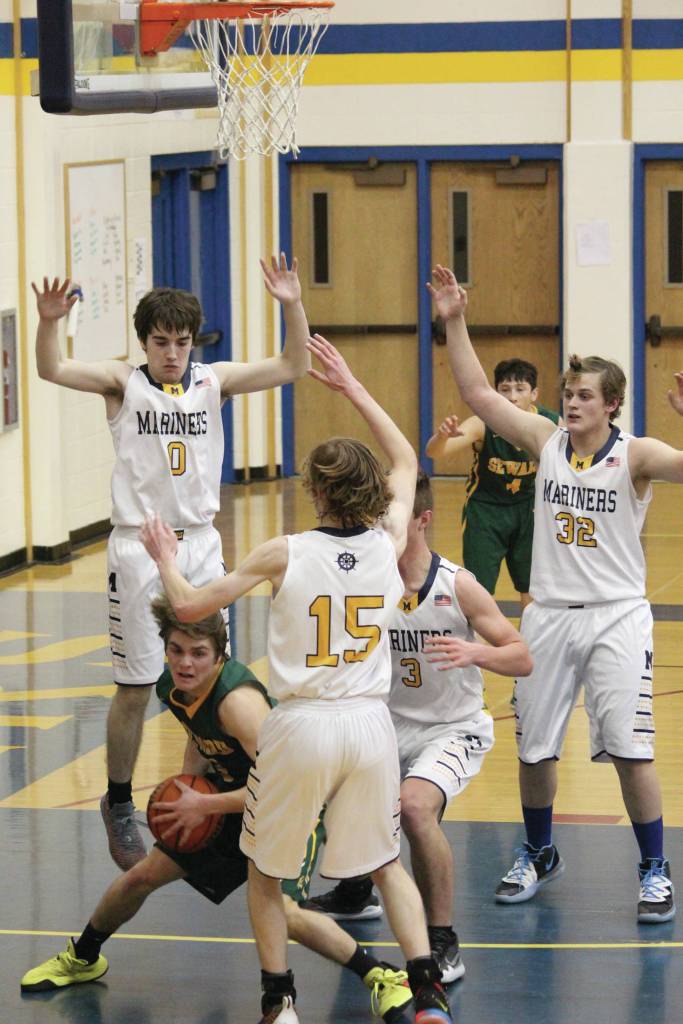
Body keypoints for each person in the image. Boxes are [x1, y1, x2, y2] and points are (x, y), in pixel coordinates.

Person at [140, 335, 454, 1024]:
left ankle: (279, 1003)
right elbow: (405, 457)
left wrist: (165, 558)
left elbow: (190, 608)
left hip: (303, 724)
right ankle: (425, 988)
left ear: (313, 490)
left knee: (266, 874)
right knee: (385, 865)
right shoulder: (390, 541)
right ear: (367, 490)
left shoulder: (284, 551)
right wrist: (352, 388)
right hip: (371, 725)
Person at [32, 258, 310, 871]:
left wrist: (291, 301)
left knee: (208, 680)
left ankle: (205, 796)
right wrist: (49, 322)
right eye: (162, 342)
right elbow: (50, 368)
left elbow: (295, 364)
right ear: (144, 342)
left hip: (202, 543)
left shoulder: (215, 381)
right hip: (138, 545)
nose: (173, 354)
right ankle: (118, 801)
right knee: (135, 685)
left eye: (182, 342)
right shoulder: (121, 383)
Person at [20, 596, 412, 1023]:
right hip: (227, 801)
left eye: (198, 654)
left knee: (285, 913)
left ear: (219, 654)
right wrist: (192, 787)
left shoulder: (239, 705)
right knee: (141, 876)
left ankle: (383, 976)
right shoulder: (172, 686)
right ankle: (84, 956)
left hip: (292, 805)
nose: (186, 663)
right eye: (176, 651)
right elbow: (198, 733)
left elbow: (283, 784)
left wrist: (202, 803)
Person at [427, 263, 677, 924]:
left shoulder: (638, 454)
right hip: (546, 617)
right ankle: (538, 851)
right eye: (567, 394)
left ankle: (654, 867)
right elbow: (478, 393)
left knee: (630, 749)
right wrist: (454, 319)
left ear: (611, 404)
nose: (570, 404)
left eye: (584, 396)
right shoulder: (545, 441)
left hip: (616, 618)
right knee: (534, 747)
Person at [302, 470, 533, 982]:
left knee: (413, 808)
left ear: (422, 519)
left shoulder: (459, 585)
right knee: (334, 772)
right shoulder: (369, 579)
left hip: (452, 728)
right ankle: (357, 890)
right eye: (379, 518)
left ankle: (443, 937)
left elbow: (522, 657)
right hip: (387, 721)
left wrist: (474, 651)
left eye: (394, 517)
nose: (383, 527)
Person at [426, 359, 559, 609]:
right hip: (486, 511)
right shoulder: (481, 423)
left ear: (534, 394)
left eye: (520, 389)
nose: (512, 397)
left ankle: (532, 644)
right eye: (505, 390)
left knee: (531, 586)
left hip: (528, 510)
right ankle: (476, 642)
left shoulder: (550, 423)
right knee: (480, 588)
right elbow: (435, 452)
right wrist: (442, 435)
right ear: (495, 392)